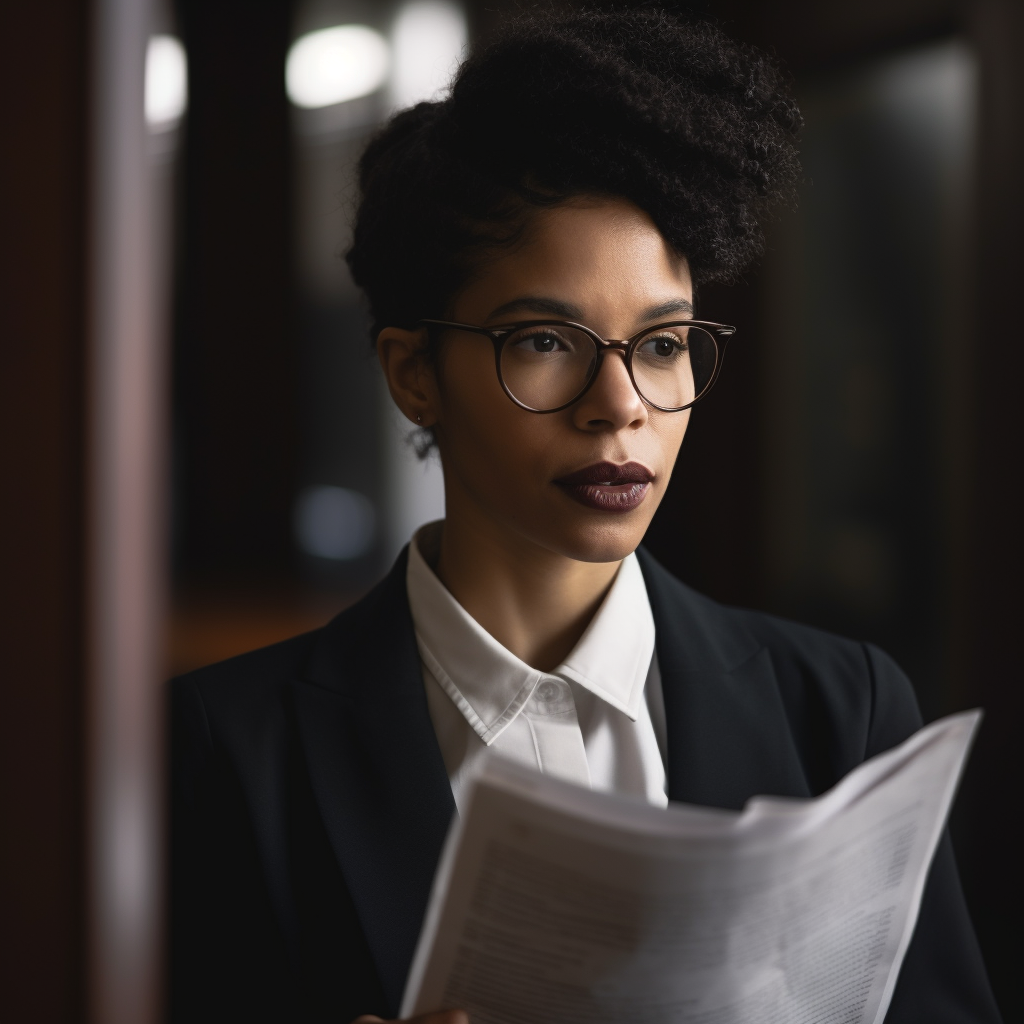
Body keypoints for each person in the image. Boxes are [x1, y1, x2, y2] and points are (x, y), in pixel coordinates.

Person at [169, 8, 1000, 1023]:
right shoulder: (232, 747)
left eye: (660, 345)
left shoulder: (843, 710)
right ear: (413, 373)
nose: (620, 405)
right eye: (546, 342)